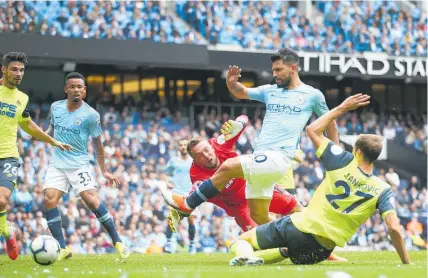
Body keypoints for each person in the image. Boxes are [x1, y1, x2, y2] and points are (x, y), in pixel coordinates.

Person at [161, 48, 338, 225]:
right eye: (273, 70)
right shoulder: (270, 91)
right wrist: (231, 83)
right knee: (259, 217)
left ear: (293, 68)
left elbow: (330, 122)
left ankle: (187, 204)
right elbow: (241, 92)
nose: (274, 74)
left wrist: (335, 159)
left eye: (278, 70)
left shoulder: (312, 95)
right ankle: (309, 243)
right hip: (260, 158)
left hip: (279, 157)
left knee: (228, 166)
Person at [229, 94, 410, 266]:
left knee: (241, 241)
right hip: (320, 250)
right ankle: (276, 254)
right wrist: (406, 262)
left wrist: (343, 107)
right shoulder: (383, 189)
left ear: (358, 152)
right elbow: (394, 228)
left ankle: (246, 255)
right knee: (288, 250)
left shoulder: (342, 161)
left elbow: (312, 130)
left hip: (299, 227)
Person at [42, 72, 129, 261]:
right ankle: (62, 248)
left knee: (91, 200)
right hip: (57, 163)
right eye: (72, 87)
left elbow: (98, 144)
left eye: (79, 87)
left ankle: (118, 242)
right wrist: (40, 135)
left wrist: (104, 170)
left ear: (84, 91)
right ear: (66, 89)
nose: (76, 90)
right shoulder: (55, 107)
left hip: (78, 164)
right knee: (49, 199)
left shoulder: (91, 115)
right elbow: (51, 130)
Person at [167, 115, 301, 234]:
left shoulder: (220, 143)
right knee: (264, 238)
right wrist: (179, 212)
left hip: (255, 186)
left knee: (297, 209)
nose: (206, 155)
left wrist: (239, 123)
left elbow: (244, 119)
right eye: (200, 155)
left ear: (210, 146)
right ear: (194, 161)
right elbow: (194, 194)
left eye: (206, 150)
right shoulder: (196, 175)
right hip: (239, 208)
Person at [0, 52, 71, 261]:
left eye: (21, 70)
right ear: (3, 70)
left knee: (2, 199)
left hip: (8, 157)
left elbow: (28, 125)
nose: (18, 73)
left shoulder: (22, 98)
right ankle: (7, 232)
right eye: (14, 69)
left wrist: (53, 141)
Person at [164, 139, 196, 254]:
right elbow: (165, 173)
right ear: (178, 147)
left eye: (184, 145)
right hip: (176, 193)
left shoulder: (194, 160)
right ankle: (169, 243)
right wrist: (167, 182)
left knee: (191, 220)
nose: (182, 147)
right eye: (180, 145)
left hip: (190, 194)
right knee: (172, 218)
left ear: (188, 147)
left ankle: (192, 245)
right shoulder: (173, 161)